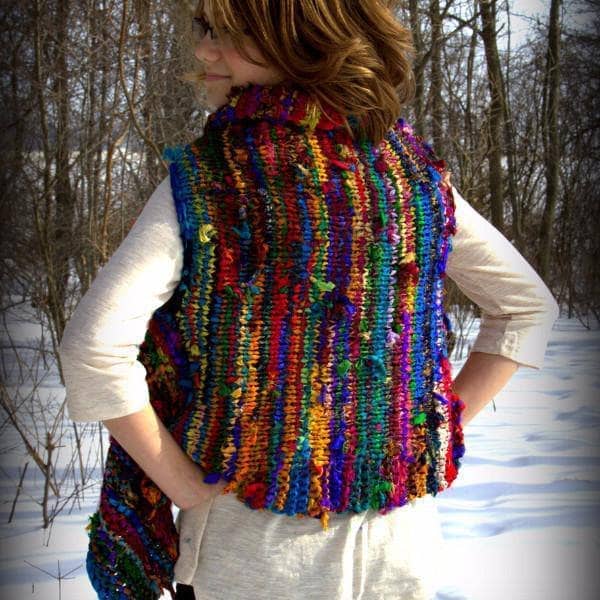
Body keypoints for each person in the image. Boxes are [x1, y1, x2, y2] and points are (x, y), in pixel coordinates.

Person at [58, 1, 559, 599]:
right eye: (205, 30)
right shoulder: (411, 176)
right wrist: (423, 429)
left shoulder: (214, 178)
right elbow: (526, 307)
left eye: (230, 34)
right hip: (402, 545)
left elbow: (92, 350)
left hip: (251, 550)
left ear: (301, 42)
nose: (204, 51)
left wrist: (185, 487)